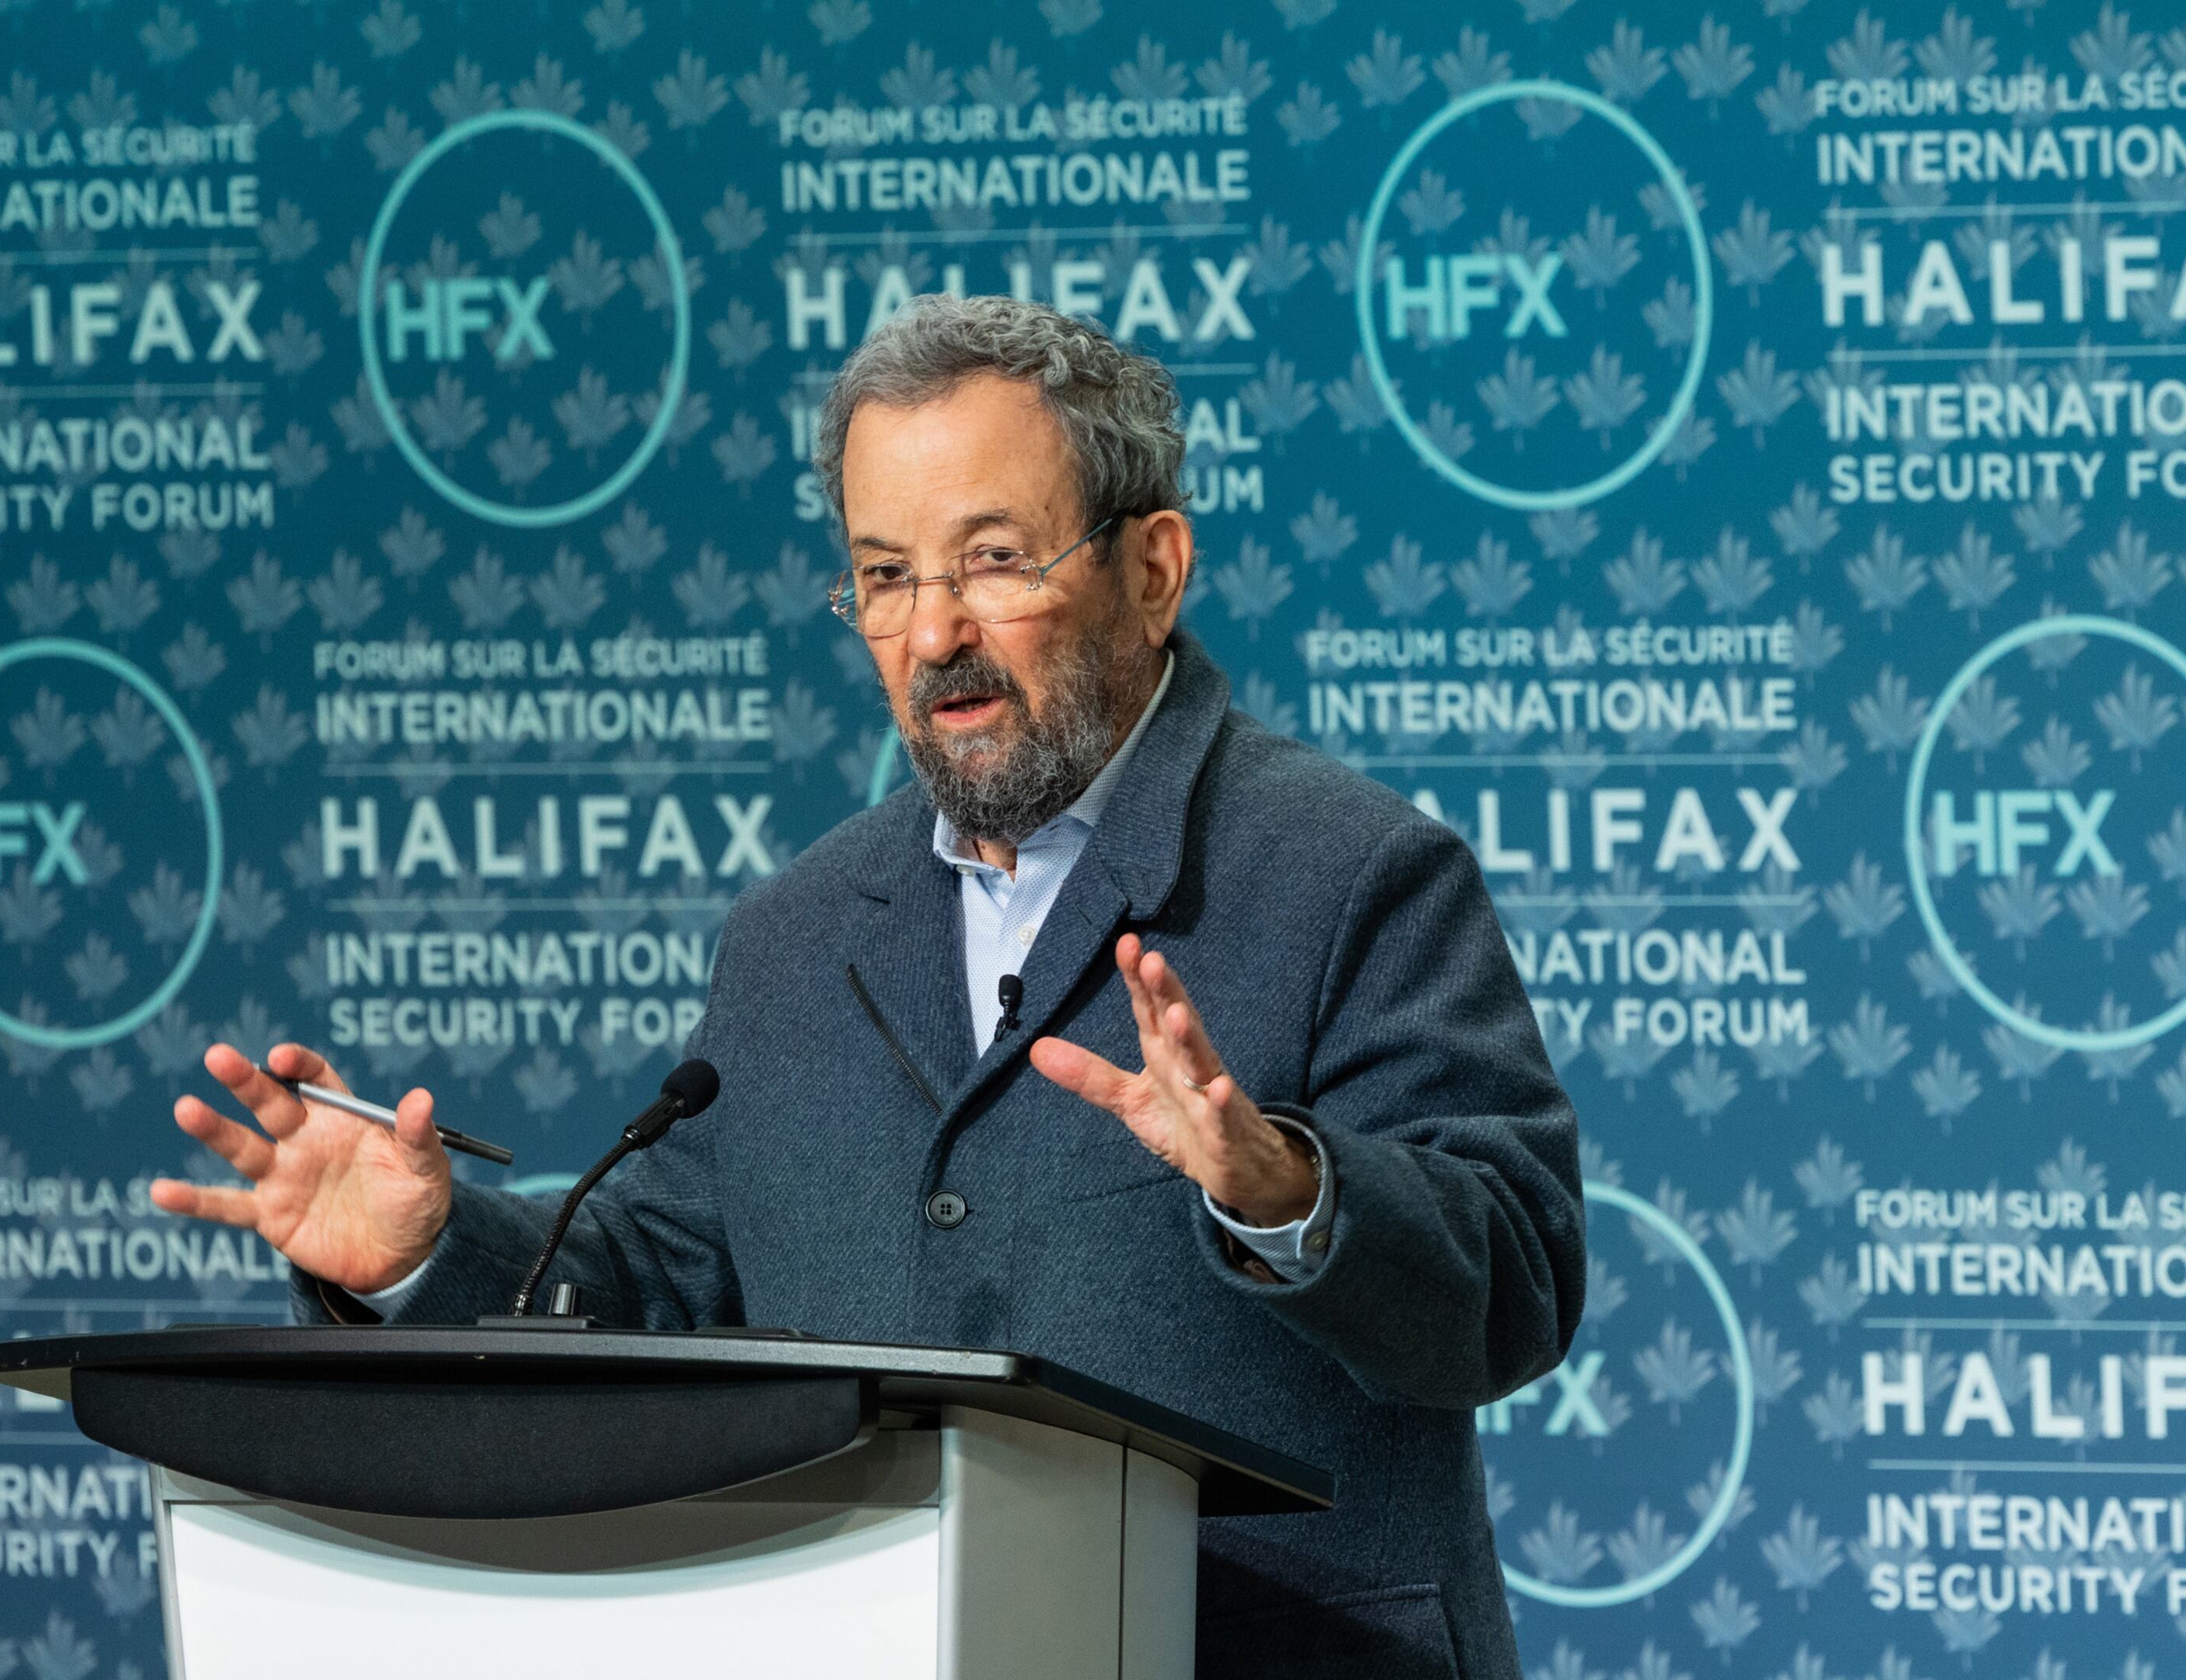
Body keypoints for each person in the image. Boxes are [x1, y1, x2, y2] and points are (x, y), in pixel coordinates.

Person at [149, 293, 1583, 1680]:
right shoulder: (796, 933)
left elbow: (1513, 1280)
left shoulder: (1354, 872)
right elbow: (655, 1286)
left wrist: (1284, 1190)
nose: (935, 632)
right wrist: (421, 1252)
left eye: (995, 559)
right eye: (887, 574)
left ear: (1153, 568)